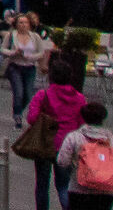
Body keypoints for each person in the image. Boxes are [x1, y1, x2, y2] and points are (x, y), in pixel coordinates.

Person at [28, 56, 90, 210]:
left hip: (45, 144)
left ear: (51, 76)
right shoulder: (80, 99)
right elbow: (83, 123)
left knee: (42, 184)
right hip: (68, 144)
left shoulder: (43, 95)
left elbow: (32, 118)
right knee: (63, 185)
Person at [57, 101, 113, 210]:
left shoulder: (74, 137)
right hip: (107, 190)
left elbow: (62, 161)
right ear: (103, 118)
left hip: (78, 188)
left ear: (84, 117)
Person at [0, 11, 49, 121]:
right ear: (16, 24)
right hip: (15, 66)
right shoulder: (11, 35)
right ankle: (17, 116)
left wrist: (30, 57)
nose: (23, 25)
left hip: (29, 67)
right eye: (20, 22)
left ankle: (19, 109)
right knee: (18, 92)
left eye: (25, 23)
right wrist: (13, 52)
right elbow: (2, 49)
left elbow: (41, 52)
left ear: (29, 25)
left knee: (28, 93)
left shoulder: (35, 37)